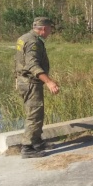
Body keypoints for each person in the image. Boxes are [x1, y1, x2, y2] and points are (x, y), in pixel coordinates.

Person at [14, 17, 60, 158]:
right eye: (50, 29)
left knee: (37, 113)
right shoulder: (33, 42)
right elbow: (32, 65)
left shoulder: (25, 38)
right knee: (34, 115)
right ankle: (27, 147)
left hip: (26, 81)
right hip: (30, 82)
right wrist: (49, 82)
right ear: (44, 28)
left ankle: (37, 142)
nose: (50, 32)